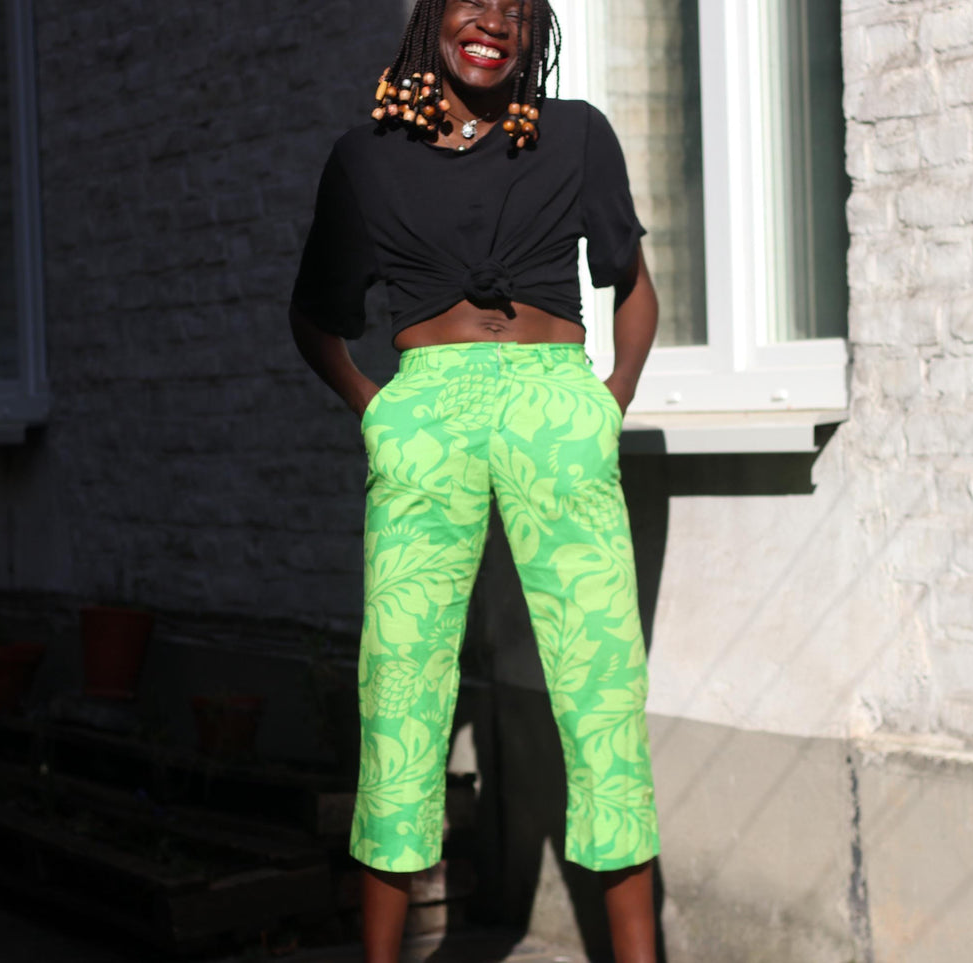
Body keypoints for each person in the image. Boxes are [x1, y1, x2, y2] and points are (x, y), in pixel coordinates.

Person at [288, 1, 660, 960]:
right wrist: (379, 410)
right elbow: (314, 316)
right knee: (400, 691)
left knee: (602, 692)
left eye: (515, 6)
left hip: (555, 406)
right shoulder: (365, 158)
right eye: (470, 0)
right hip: (427, 412)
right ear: (434, 19)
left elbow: (631, 280)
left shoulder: (576, 134)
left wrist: (605, 402)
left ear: (535, 29)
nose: (490, 19)